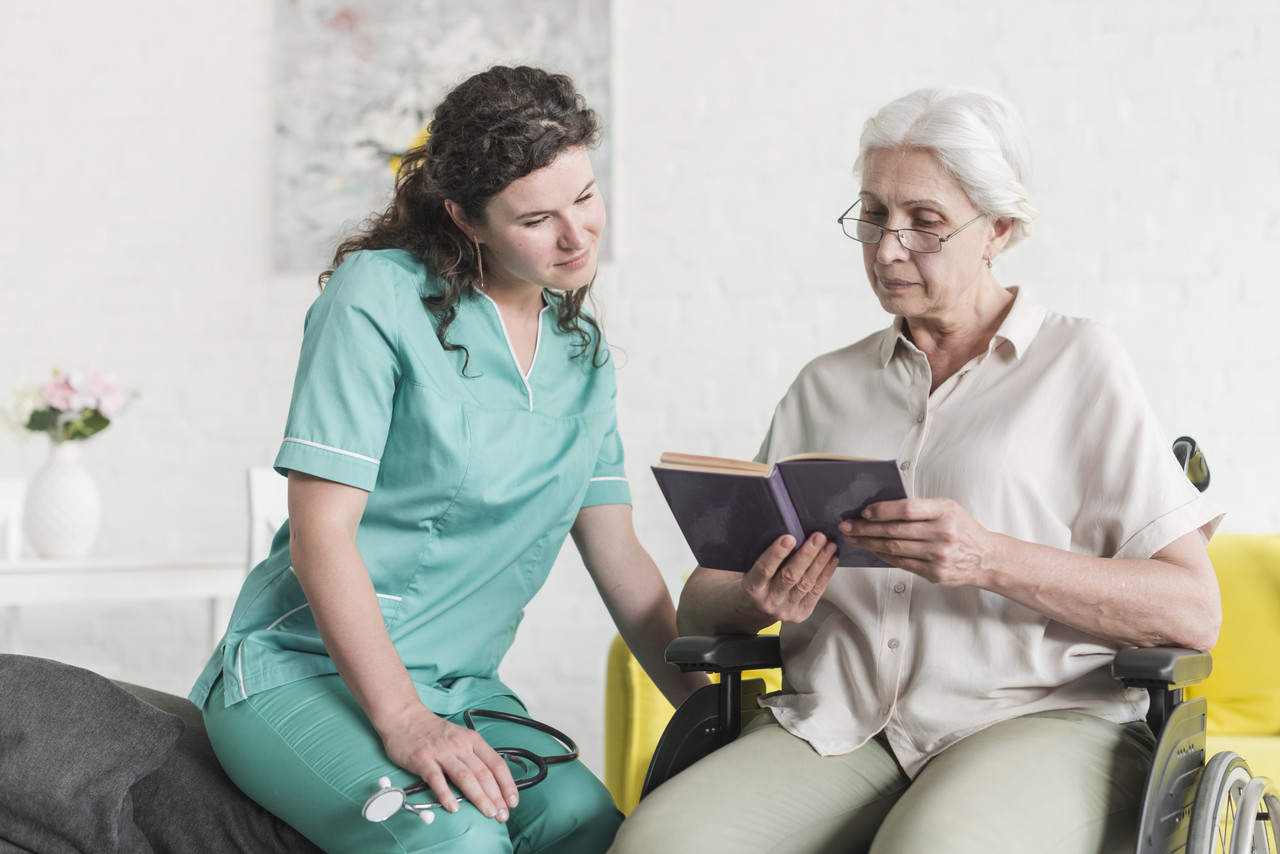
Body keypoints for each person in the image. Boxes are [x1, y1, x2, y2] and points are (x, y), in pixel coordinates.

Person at [610, 86, 1223, 854]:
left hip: (1034, 718)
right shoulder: (825, 386)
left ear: (998, 228)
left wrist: (989, 559)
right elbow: (702, 608)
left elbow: (1194, 611)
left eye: (923, 223)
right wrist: (753, 596)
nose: (888, 246)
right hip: (844, 722)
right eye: (872, 215)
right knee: (656, 844)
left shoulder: (1080, 364)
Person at [189, 65, 703, 854]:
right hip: (303, 672)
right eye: (537, 217)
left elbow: (619, 556)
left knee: (592, 827)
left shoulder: (581, 353)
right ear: (466, 217)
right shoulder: (376, 297)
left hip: (463, 687)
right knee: (457, 840)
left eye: (586, 197)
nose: (577, 235)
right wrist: (403, 721)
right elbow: (321, 534)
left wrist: (704, 711)